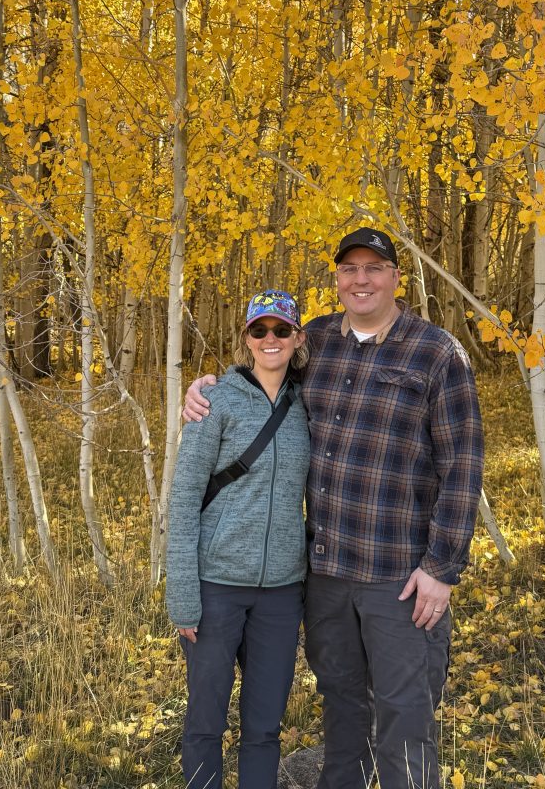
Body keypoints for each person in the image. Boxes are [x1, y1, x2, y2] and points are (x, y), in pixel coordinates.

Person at [183, 228, 484, 789]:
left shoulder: (436, 353)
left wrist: (441, 570)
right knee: (342, 709)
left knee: (404, 718)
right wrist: (206, 391)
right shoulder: (316, 341)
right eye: (350, 269)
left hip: (399, 578)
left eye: (375, 267)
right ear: (338, 279)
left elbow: (463, 467)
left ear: (397, 277)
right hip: (326, 574)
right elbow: (261, 373)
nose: (361, 279)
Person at [167, 289, 311, 789]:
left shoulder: (308, 401)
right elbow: (184, 500)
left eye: (281, 330)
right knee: (206, 721)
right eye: (260, 330)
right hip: (215, 588)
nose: (270, 339)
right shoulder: (215, 401)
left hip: (280, 593)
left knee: (264, 726)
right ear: (246, 338)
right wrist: (183, 595)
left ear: (297, 337)